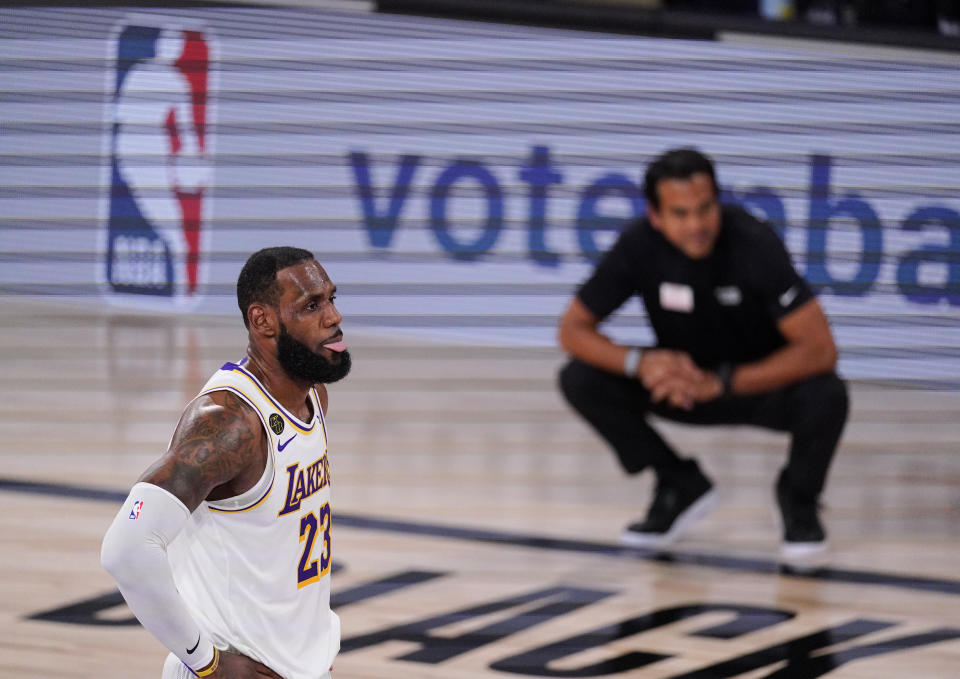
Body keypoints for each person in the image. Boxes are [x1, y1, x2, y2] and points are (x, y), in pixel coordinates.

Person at [558, 148, 848, 561]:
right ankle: (678, 483)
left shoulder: (753, 242)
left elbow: (821, 349)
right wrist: (642, 363)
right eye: (680, 213)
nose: (697, 225)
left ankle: (798, 498)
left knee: (828, 394)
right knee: (579, 378)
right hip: (681, 387)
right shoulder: (639, 245)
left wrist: (724, 382)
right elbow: (571, 329)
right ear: (656, 216)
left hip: (755, 387)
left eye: (705, 208)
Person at [101, 246, 351, 678]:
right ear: (263, 321)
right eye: (312, 305)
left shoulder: (311, 396)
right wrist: (205, 662)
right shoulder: (229, 423)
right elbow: (127, 549)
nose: (333, 317)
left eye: (331, 298)